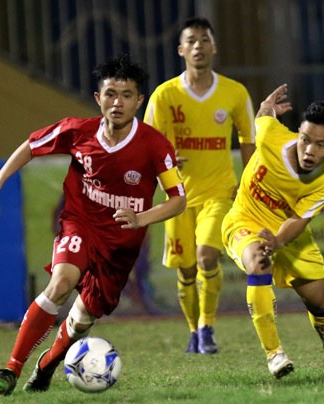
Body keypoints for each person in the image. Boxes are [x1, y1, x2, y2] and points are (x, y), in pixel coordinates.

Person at [0, 55, 186, 396]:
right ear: (98, 98)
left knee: (81, 320)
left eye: (127, 95)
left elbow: (178, 199)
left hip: (121, 246)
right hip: (80, 224)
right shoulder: (77, 131)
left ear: (139, 101)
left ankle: (47, 365)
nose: (118, 102)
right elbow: (31, 146)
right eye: (111, 94)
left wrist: (141, 219)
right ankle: (11, 368)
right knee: (61, 283)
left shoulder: (155, 145)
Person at [221, 84, 324, 384]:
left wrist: (279, 240)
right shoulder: (270, 136)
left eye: (321, 145)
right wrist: (267, 105)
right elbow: (262, 117)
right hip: (244, 220)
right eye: (305, 139)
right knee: (258, 260)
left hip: (289, 234)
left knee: (319, 300)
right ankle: (274, 353)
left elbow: (300, 217)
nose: (310, 150)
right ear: (297, 131)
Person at [144, 17, 255, 354]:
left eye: (204, 39)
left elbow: (249, 141)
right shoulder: (165, 95)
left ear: (214, 46)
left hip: (220, 192)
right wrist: (163, 162)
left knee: (208, 256)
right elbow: (146, 143)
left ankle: (207, 328)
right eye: (191, 41)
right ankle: (193, 331)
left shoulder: (235, 93)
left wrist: (249, 186)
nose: (198, 46)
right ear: (181, 50)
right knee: (187, 269)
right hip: (177, 197)